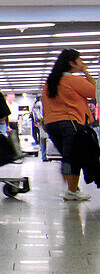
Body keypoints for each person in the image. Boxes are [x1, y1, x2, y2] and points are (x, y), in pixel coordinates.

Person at [40, 49, 95, 201]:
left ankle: (72, 188)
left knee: (68, 156)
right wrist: (86, 73)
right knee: (72, 157)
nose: (82, 63)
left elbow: (45, 104)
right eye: (80, 61)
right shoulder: (73, 80)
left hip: (52, 124)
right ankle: (71, 190)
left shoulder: (50, 82)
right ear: (72, 63)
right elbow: (96, 91)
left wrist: (45, 120)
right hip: (71, 123)